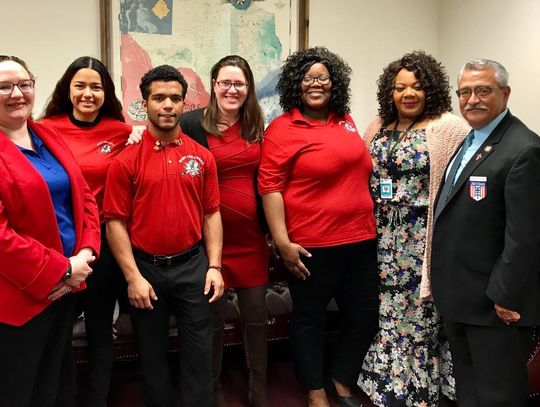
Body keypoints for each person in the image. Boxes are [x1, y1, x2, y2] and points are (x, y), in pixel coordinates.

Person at [258, 46, 379, 407]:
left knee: (365, 316)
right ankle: (314, 390)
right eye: (308, 77)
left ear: (334, 83)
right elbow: (270, 187)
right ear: (296, 84)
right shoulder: (282, 128)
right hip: (312, 245)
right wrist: (282, 242)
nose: (316, 83)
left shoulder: (346, 120)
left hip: (360, 239)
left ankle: (340, 377)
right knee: (309, 319)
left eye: (323, 77)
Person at [104, 64, 224, 407]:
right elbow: (115, 223)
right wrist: (132, 278)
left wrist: (214, 266)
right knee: (153, 360)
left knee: (199, 359)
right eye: (159, 98)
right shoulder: (125, 162)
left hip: (193, 268)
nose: (167, 105)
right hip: (146, 272)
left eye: (175, 98)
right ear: (145, 104)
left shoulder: (201, 157)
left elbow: (211, 213)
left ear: (184, 103)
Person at [357, 51, 470, 406]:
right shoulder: (378, 125)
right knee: (385, 311)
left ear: (431, 89)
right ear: (389, 92)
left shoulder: (448, 126)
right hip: (379, 236)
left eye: (418, 87)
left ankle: (419, 389)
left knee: (419, 314)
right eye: (400, 87)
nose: (408, 94)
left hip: (423, 240)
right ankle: (388, 383)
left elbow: (464, 184)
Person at [430, 59, 540, 406]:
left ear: (504, 94)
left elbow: (526, 235)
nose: (472, 100)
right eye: (464, 92)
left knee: (498, 396)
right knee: (469, 391)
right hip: (461, 298)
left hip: (495, 307)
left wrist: (505, 296)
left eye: (483, 90)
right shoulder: (474, 139)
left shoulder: (523, 149)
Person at [0, 55, 100, 407]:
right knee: (21, 390)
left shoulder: (48, 134)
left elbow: (84, 197)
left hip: (65, 292)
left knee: (59, 385)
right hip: (18, 300)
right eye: (4, 87)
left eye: (24, 85)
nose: (16, 94)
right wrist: (63, 269)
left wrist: (85, 255)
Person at [41, 56, 134, 407]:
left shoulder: (120, 131)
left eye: (96, 87)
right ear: (68, 88)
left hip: (104, 247)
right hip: (60, 245)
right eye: (80, 85)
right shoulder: (44, 129)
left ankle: (97, 399)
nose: (87, 94)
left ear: (106, 92)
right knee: (58, 330)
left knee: (99, 329)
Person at [180, 55, 269, 407]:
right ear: (213, 85)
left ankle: (258, 393)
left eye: (240, 84)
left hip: (251, 241)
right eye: (225, 83)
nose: (232, 90)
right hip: (208, 245)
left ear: (248, 90)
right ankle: (212, 393)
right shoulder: (190, 125)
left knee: (257, 321)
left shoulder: (258, 128)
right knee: (211, 325)